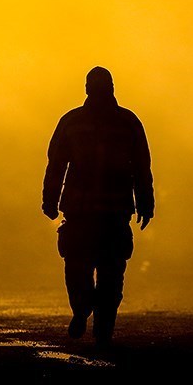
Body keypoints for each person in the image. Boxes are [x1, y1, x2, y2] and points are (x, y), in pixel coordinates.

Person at [42, 66, 154, 347]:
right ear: (113, 88)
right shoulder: (128, 123)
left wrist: (50, 201)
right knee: (111, 275)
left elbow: (55, 164)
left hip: (80, 216)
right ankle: (102, 329)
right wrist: (145, 203)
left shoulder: (72, 122)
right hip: (114, 216)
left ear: (86, 89)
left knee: (77, 270)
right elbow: (142, 167)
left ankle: (82, 310)